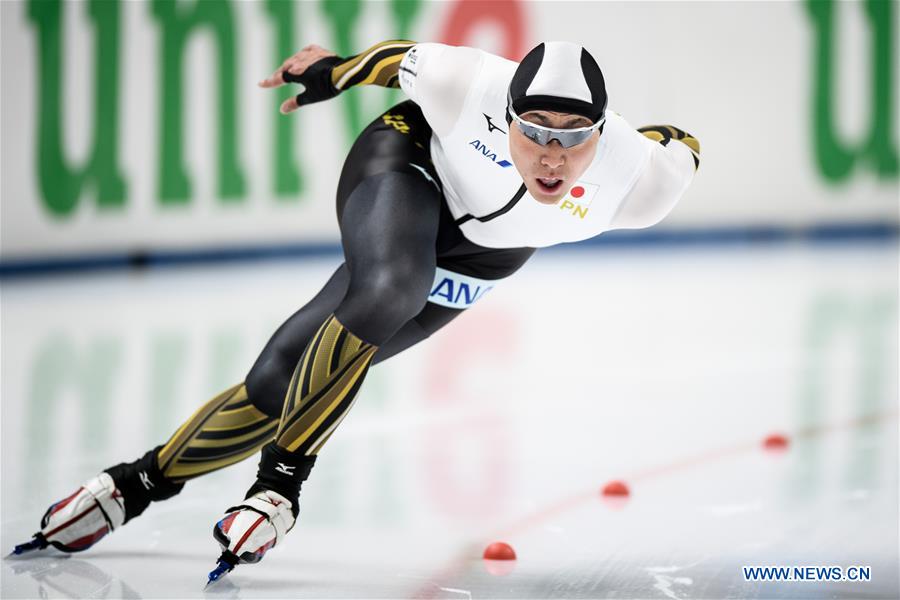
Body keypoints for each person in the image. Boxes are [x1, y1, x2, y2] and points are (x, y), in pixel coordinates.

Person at [11, 39, 700, 583]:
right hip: (408, 161)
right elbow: (395, 59)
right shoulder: (468, 83)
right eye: (535, 130)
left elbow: (681, 146)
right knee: (394, 285)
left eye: (575, 136)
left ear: (602, 132)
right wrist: (333, 72)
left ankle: (131, 486)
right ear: (507, 113)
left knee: (280, 384)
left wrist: (656, 139)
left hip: (487, 254)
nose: (552, 155)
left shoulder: (637, 182)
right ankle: (279, 488)